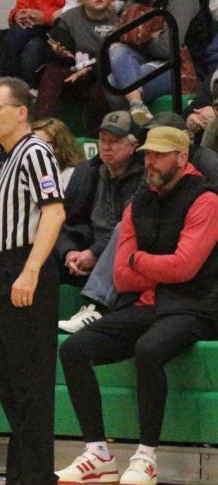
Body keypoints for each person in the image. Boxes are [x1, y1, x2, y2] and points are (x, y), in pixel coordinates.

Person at [57, 126, 218, 485]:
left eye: (159, 154)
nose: (150, 161)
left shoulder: (206, 199)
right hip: (146, 305)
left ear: (182, 157)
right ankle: (97, 453)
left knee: (148, 349)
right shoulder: (139, 201)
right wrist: (151, 268)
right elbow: (119, 275)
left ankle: (146, 456)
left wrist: (139, 261)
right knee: (74, 350)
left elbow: (185, 267)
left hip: (194, 308)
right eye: (147, 154)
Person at [0, 77, 66, 485]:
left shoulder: (35, 152)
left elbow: (54, 212)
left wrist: (29, 271)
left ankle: (39, 481)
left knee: (30, 380)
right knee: (10, 381)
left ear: (20, 112)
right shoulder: (5, 159)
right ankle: (22, 476)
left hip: (22, 269)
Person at [58, 112, 147, 332]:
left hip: (127, 253)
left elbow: (131, 224)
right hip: (88, 250)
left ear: (133, 146)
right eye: (103, 140)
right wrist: (69, 252)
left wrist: (94, 253)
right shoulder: (87, 172)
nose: (107, 147)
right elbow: (66, 221)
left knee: (123, 226)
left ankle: (94, 307)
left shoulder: (145, 175)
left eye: (115, 141)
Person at [111, 0, 204, 125]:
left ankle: (136, 134)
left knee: (114, 82)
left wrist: (137, 37)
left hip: (181, 66)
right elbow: (118, 33)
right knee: (115, 49)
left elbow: (167, 47)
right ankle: (137, 105)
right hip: (146, 60)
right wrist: (150, 35)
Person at [37, 0, 122, 122]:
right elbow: (62, 52)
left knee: (105, 85)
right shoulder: (69, 19)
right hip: (73, 76)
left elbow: (112, 60)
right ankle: (40, 125)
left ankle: (95, 136)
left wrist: (89, 70)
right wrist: (59, 53)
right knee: (53, 71)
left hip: (98, 76)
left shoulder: (118, 23)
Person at [36, 117, 97, 283]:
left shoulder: (82, 174)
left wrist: (69, 250)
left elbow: (83, 222)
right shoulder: (27, 177)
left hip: (72, 246)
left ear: (57, 146)